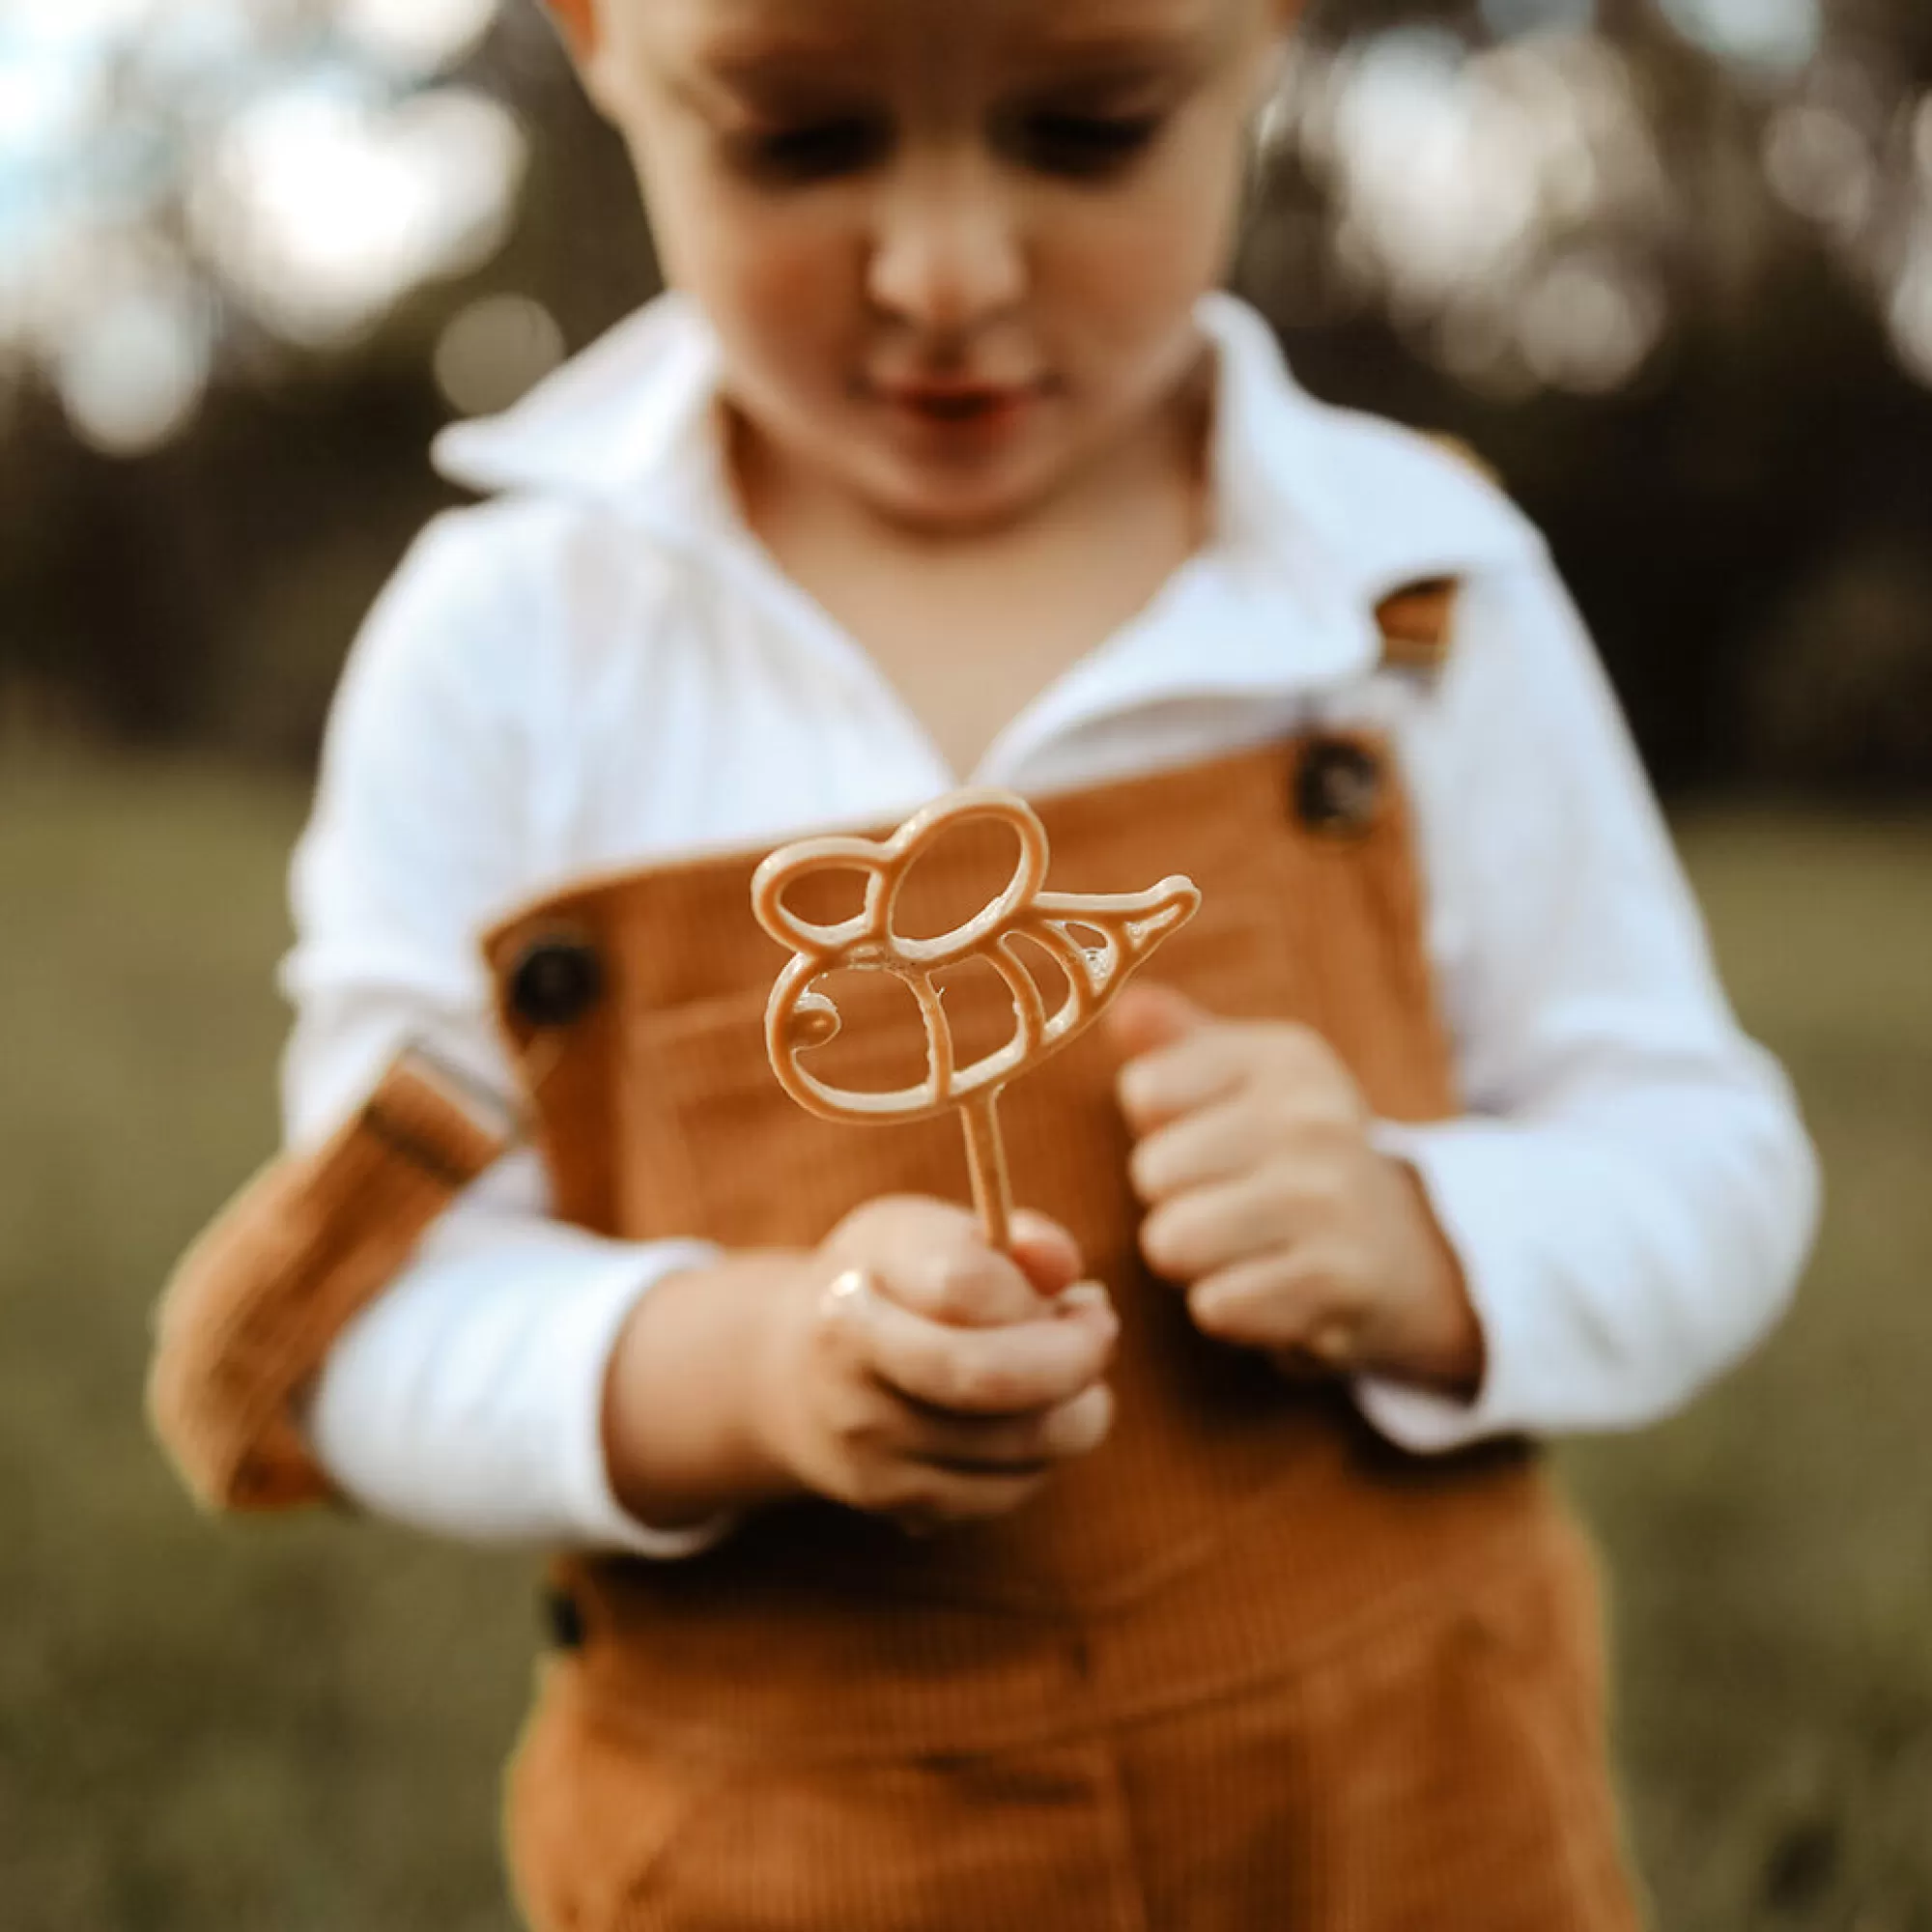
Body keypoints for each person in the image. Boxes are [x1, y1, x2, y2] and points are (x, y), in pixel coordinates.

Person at [148, 0, 1820, 1925]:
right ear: (602, 37)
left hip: (1401, 1824)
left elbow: (1708, 1155)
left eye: (1086, 132)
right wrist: (745, 1368)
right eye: (801, 143)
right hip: (781, 1858)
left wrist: (1421, 1234)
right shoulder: (509, 647)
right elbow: (372, 1319)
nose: (943, 275)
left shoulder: (1406, 586)